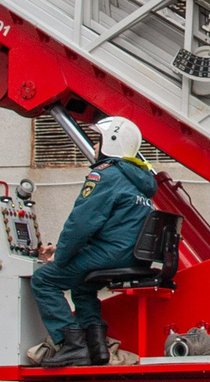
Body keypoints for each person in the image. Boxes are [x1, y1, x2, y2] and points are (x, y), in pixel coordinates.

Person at [27, 116, 156, 367]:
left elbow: (81, 223)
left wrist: (61, 257)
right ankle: (96, 349)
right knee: (82, 286)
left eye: (98, 140)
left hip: (111, 255)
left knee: (44, 280)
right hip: (130, 255)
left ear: (111, 142)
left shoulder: (105, 176)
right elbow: (116, 229)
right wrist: (63, 251)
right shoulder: (140, 181)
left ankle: (71, 345)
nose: (95, 146)